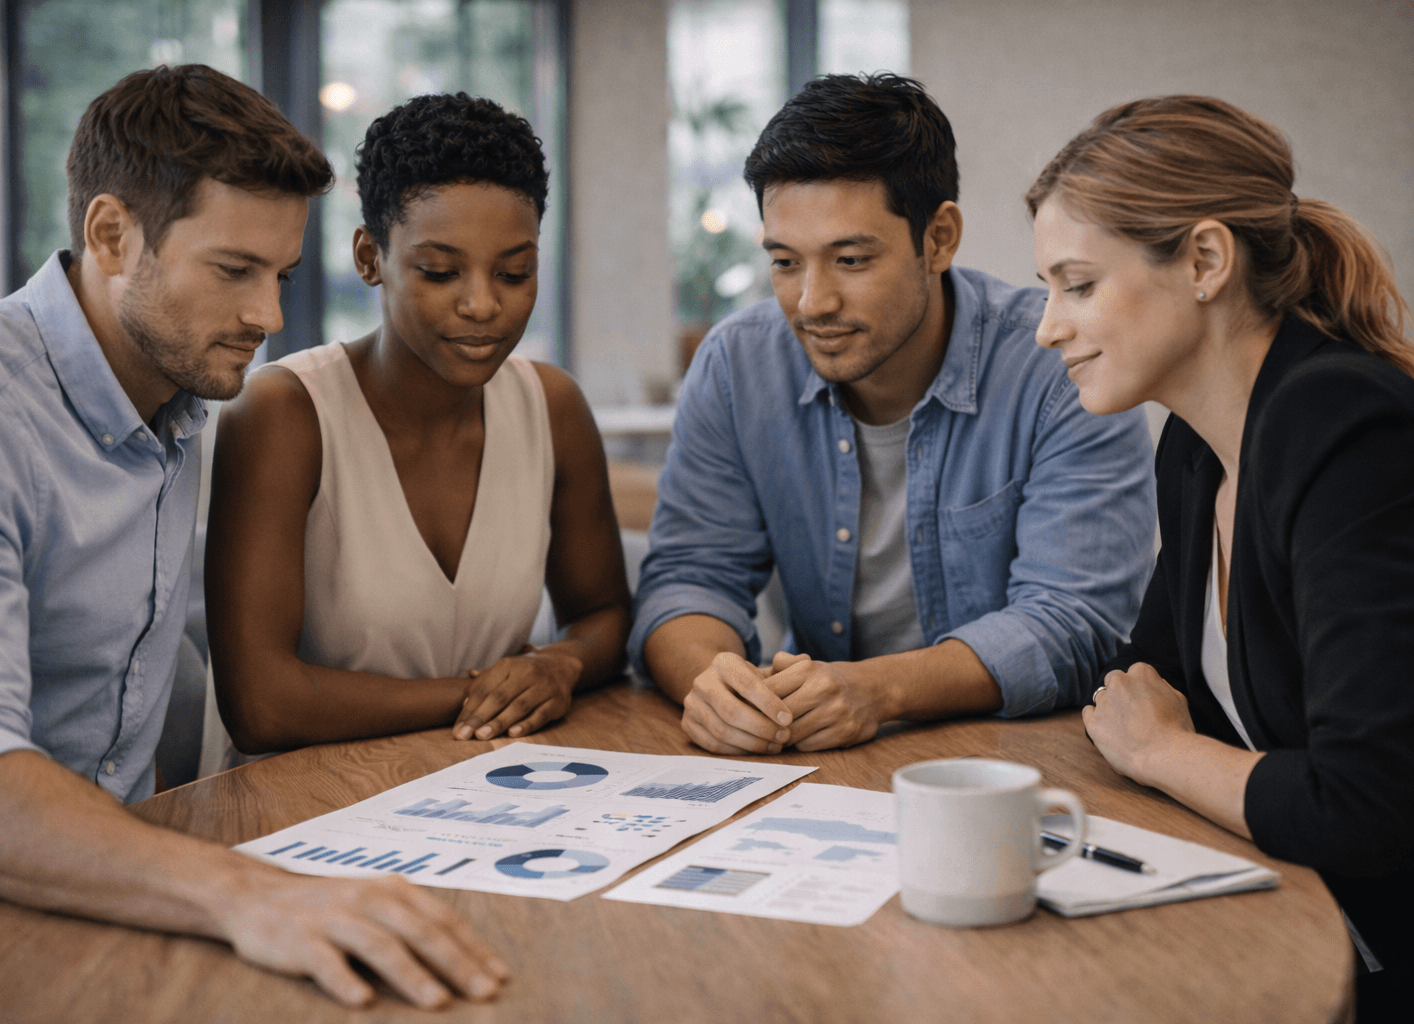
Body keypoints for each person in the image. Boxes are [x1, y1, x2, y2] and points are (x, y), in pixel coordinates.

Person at [0, 65, 507, 1010]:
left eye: (281, 276)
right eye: (233, 271)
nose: (269, 317)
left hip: (119, 900)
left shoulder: (173, 400)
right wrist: (247, 894)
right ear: (111, 235)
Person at [631, 73, 1157, 756]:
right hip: (821, 757)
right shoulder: (738, 365)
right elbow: (689, 577)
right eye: (785, 262)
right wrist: (715, 686)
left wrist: (877, 691)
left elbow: (1075, 621)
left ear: (938, 238)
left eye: (850, 260)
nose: (812, 302)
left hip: (1014, 762)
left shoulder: (1059, 363)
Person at [1028, 95, 1414, 1019]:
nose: (1048, 327)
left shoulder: (1345, 427)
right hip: (1292, 907)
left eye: (1078, 286)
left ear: (1205, 261)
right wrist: (1156, 735)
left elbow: (1369, 806)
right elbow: (1137, 684)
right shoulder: (1196, 448)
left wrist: (1164, 751)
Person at [206, 93, 630, 755]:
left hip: (486, 782)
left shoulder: (552, 407)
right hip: (305, 792)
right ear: (369, 257)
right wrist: (483, 695)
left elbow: (604, 614)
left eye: (514, 272)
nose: (483, 304)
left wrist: (561, 664)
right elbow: (261, 705)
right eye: (440, 271)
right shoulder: (284, 413)